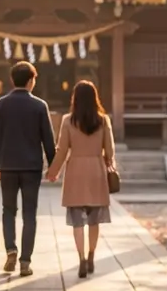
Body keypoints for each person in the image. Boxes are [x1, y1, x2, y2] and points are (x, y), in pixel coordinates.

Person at [0, 61, 56, 277]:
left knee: (8, 210)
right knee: (29, 214)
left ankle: (11, 249)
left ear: (12, 80)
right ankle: (25, 261)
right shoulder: (39, 106)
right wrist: (53, 166)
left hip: (7, 165)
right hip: (31, 167)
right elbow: (48, 140)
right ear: (31, 80)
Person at [47, 80, 116, 279]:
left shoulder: (68, 120)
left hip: (75, 171)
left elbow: (62, 150)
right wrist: (109, 163)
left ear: (75, 98)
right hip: (96, 170)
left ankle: (82, 259)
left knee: (77, 221)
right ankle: (92, 255)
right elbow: (110, 150)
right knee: (94, 220)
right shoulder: (103, 120)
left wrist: (53, 171)